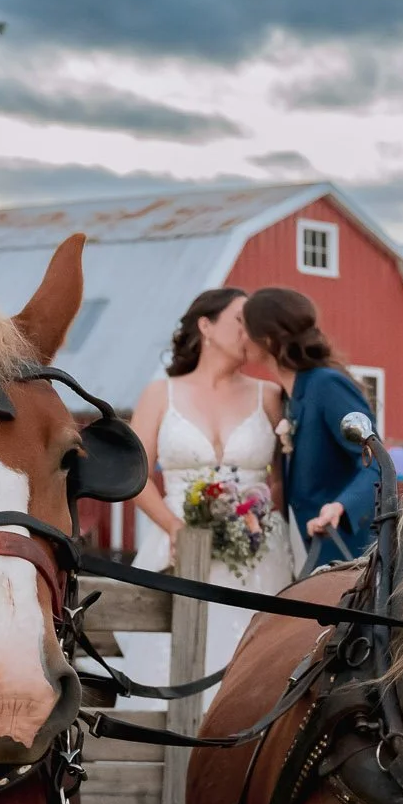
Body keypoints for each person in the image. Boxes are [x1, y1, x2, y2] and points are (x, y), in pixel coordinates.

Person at [123, 287, 295, 700]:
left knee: (258, 669)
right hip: (177, 550)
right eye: (240, 319)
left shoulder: (269, 395)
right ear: (206, 325)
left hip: (257, 553)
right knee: (175, 665)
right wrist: (176, 528)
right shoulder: (159, 394)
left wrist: (256, 513)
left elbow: (283, 479)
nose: (249, 329)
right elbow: (133, 475)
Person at [241, 286, 381, 568]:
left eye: (245, 328)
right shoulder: (289, 397)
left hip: (351, 554)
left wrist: (341, 505)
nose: (241, 337)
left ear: (267, 340)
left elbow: (376, 462)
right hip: (307, 554)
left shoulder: (326, 385)